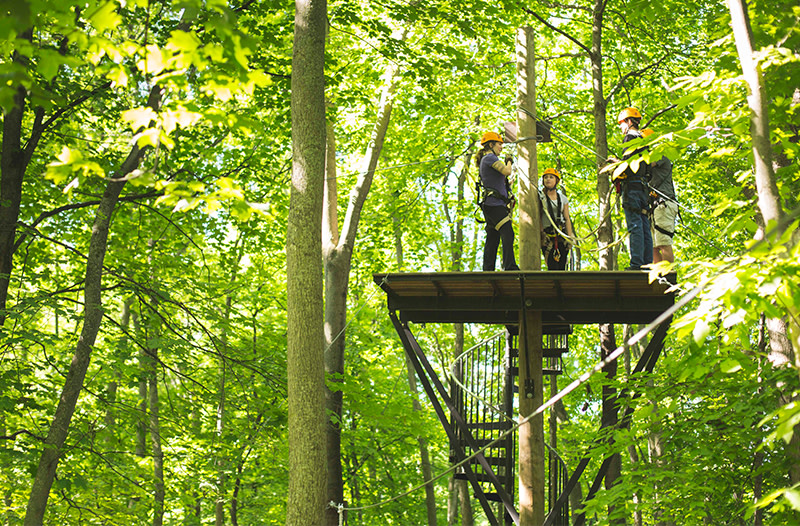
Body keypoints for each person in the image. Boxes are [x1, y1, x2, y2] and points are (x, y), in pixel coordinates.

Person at [615, 107, 653, 270]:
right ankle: (647, 262)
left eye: (622, 123)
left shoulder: (630, 137)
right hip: (643, 187)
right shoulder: (644, 141)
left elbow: (629, 164)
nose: (621, 128)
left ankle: (637, 263)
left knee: (635, 224)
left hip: (632, 187)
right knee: (643, 222)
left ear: (629, 122)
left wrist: (616, 168)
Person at [476, 131, 519, 271]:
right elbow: (506, 171)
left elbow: (501, 179)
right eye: (499, 144)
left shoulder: (488, 160)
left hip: (492, 204)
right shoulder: (489, 158)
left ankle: (488, 269)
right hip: (494, 205)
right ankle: (510, 266)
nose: (501, 147)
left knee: (493, 237)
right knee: (507, 232)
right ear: (491, 144)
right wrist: (509, 160)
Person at [641, 128, 678, 264]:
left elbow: (646, 164)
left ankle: (669, 274)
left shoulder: (660, 154)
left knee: (663, 242)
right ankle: (660, 276)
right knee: (653, 246)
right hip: (655, 207)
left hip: (664, 204)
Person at [540, 168, 575, 270]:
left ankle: (563, 285)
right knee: (552, 266)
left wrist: (569, 237)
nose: (548, 179)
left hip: (561, 235)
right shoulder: (540, 197)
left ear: (556, 181)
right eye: (546, 177)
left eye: (551, 177)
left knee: (562, 265)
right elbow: (539, 216)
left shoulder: (563, 199)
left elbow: (567, 218)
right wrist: (541, 233)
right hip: (547, 236)